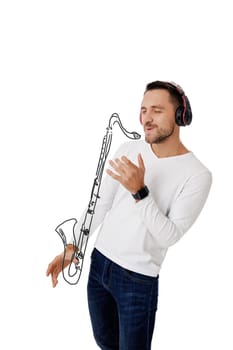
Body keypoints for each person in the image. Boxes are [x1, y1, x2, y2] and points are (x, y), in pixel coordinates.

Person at [47, 80, 212, 350]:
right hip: (99, 264)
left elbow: (169, 236)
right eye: (143, 110)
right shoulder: (129, 148)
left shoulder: (197, 174)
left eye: (156, 110)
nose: (146, 118)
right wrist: (73, 247)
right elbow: (101, 203)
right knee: (105, 343)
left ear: (180, 114)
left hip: (137, 280)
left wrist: (140, 191)